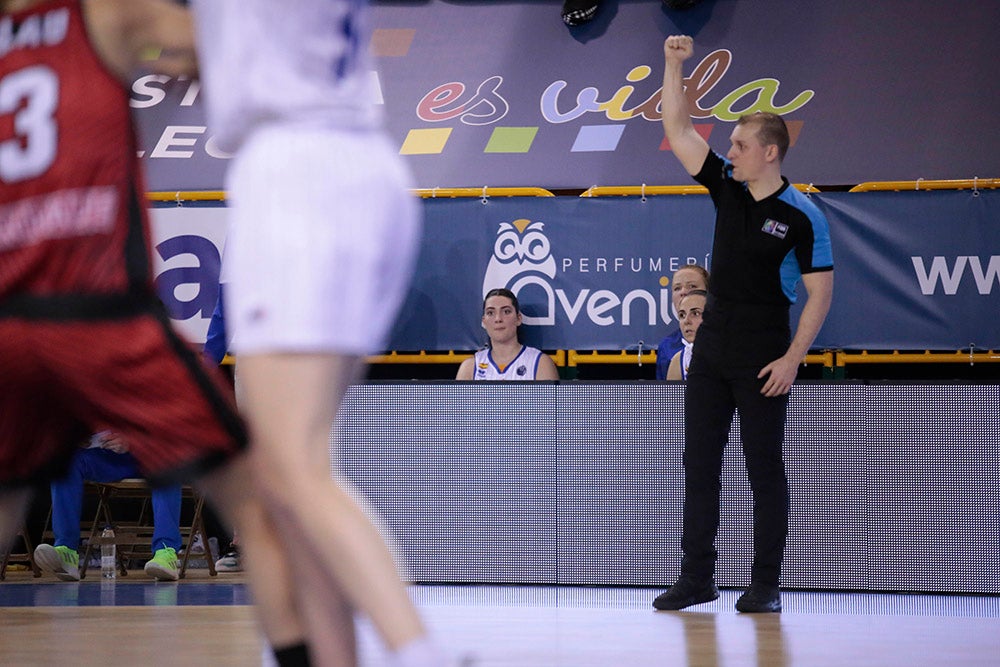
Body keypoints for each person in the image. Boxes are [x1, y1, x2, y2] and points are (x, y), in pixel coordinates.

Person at [0, 3, 307, 666]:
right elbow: (221, 51)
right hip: (95, 310)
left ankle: (143, 550)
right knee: (255, 499)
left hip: (12, 316)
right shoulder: (101, 15)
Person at [191, 2, 453, 665]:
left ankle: (419, 650)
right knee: (287, 479)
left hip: (296, 171)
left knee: (289, 469)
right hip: (357, 164)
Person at [652, 35, 834, 614]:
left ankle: (764, 585)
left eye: (740, 144)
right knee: (699, 465)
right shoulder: (726, 185)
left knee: (763, 469)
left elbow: (820, 293)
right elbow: (679, 132)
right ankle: (696, 579)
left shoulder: (803, 215)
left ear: (771, 153)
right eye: (730, 143)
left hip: (764, 346)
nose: (729, 151)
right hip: (713, 342)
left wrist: (792, 359)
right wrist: (672, 65)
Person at [33, 431, 184, 581]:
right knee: (65, 461)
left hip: (151, 453)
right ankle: (66, 551)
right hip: (107, 457)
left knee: (167, 461)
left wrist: (132, 440)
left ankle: (166, 551)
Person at [456, 288, 561, 381]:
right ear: (484, 321)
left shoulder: (540, 363)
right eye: (490, 313)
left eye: (506, 311)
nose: (498, 319)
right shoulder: (470, 367)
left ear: (518, 318)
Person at [656, 264, 710, 381]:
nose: (684, 292)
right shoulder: (667, 346)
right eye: (677, 288)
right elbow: (666, 396)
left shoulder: (729, 345)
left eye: (692, 286)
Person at [665, 289, 707, 381]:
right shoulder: (678, 360)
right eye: (682, 315)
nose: (686, 321)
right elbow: (673, 395)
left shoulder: (731, 355)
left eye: (695, 313)